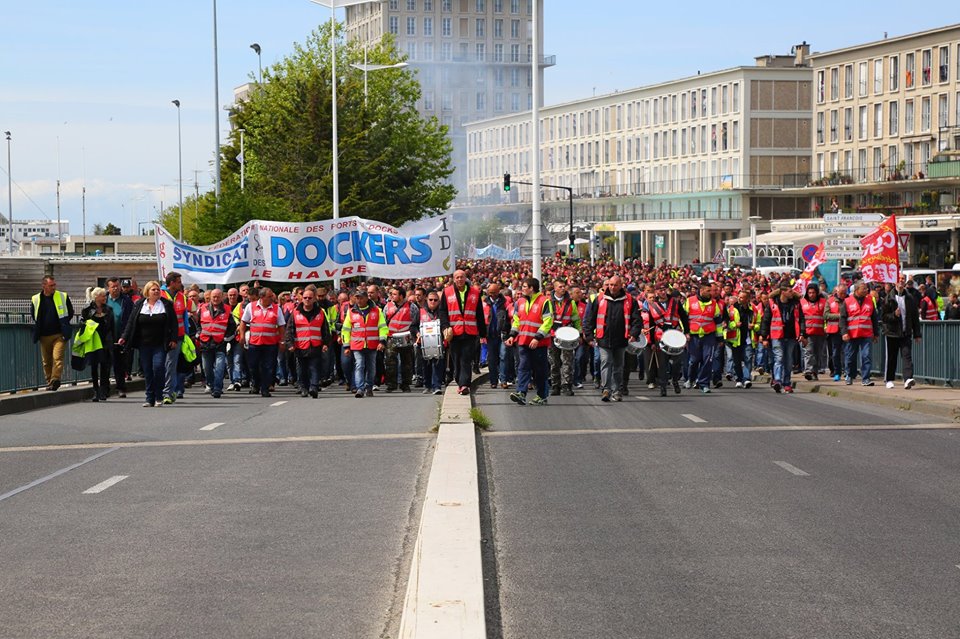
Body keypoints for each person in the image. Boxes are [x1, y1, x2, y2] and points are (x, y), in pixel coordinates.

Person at [119, 281, 177, 407]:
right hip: (143, 344)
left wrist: (173, 339)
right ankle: (149, 397)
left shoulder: (166, 304)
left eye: (157, 289)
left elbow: (173, 323)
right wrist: (124, 337)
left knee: (158, 368)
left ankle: (159, 396)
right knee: (147, 371)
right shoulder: (140, 304)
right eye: (153, 290)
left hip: (160, 344)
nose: (156, 291)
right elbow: (131, 322)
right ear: (147, 292)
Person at [583, 275, 640, 402]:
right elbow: (589, 319)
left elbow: (637, 319)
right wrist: (588, 336)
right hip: (603, 338)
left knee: (619, 366)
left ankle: (617, 390)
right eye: (610, 285)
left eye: (615, 285)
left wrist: (634, 334)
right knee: (606, 362)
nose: (612, 287)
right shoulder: (599, 299)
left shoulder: (630, 300)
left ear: (621, 286)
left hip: (621, 339)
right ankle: (606, 389)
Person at [506, 277, 553, 406]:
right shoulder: (519, 302)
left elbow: (548, 321)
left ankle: (542, 395)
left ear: (532, 288)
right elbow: (516, 321)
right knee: (523, 367)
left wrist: (537, 337)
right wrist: (512, 335)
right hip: (523, 341)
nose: (522, 289)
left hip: (539, 343)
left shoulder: (544, 302)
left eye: (525, 287)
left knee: (540, 370)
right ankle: (521, 393)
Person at [439, 269, 486, 396]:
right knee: (456, 358)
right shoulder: (447, 292)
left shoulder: (475, 292)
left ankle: (465, 384)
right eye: (457, 277)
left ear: (466, 278)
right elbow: (442, 311)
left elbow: (479, 314)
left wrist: (483, 333)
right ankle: (459, 380)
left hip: (470, 332)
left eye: (462, 277)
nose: (459, 279)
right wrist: (445, 326)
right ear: (454, 279)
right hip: (454, 332)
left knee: (466, 358)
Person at [284, 284, 329, 398]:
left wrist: (325, 343)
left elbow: (325, 330)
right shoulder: (295, 312)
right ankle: (303, 387)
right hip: (300, 346)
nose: (307, 300)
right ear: (302, 299)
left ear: (314, 298)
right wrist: (290, 344)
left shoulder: (320, 312)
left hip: (315, 345)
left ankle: (313, 387)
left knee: (314, 367)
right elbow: (289, 330)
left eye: (310, 298)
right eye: (305, 298)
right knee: (302, 369)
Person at [642, 286, 688, 396]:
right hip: (660, 336)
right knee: (662, 363)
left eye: (664, 290)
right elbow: (651, 324)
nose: (662, 292)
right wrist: (652, 342)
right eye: (660, 290)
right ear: (656, 291)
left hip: (675, 335)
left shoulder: (675, 302)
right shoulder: (652, 305)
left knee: (676, 362)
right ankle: (663, 387)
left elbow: (684, 317)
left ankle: (675, 380)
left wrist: (687, 332)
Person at [239, 287, 285, 398]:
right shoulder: (251, 306)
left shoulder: (276, 308)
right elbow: (243, 322)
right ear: (262, 297)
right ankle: (256, 384)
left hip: (270, 343)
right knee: (253, 366)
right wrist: (241, 336)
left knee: (268, 367)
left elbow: (281, 326)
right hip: (255, 343)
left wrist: (282, 341)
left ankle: (265, 388)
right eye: (269, 297)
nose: (272, 299)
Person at [341, 288, 387, 398]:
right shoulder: (351, 312)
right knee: (359, 365)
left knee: (371, 367)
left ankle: (369, 387)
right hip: (357, 345)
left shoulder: (377, 311)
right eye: (357, 298)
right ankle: (360, 388)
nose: (359, 300)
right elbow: (346, 330)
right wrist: (346, 346)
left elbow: (383, 327)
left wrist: (382, 341)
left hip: (372, 344)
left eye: (361, 298)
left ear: (366, 298)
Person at [761, 283, 805, 394]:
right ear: (783, 292)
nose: (792, 293)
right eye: (790, 291)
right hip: (777, 335)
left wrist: (803, 333)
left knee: (788, 360)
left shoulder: (796, 303)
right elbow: (766, 320)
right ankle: (777, 381)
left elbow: (801, 319)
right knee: (778, 358)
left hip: (791, 336)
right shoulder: (772, 303)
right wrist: (764, 337)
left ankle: (787, 383)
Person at [31, 275, 74, 391]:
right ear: (44, 286)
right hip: (44, 335)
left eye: (54, 285)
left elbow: (70, 312)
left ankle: (55, 380)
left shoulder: (62, 296)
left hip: (59, 334)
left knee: (57, 358)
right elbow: (33, 314)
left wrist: (64, 324)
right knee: (46, 362)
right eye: (51, 285)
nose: (54, 287)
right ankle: (49, 382)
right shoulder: (36, 299)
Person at [197, 288, 237, 399]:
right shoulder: (202, 308)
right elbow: (197, 323)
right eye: (213, 297)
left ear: (222, 297)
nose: (215, 299)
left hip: (220, 343)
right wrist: (198, 333)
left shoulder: (227, 309)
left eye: (218, 297)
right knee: (207, 368)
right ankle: (210, 384)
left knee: (219, 368)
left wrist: (226, 337)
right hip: (205, 342)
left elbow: (232, 326)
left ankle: (217, 389)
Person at [881, 281, 921, 390]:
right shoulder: (888, 298)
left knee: (907, 355)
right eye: (899, 281)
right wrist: (894, 315)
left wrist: (917, 334)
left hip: (905, 332)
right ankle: (889, 379)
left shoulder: (910, 298)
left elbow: (914, 317)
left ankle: (908, 378)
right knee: (891, 357)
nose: (901, 283)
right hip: (892, 333)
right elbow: (884, 317)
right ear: (895, 283)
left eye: (903, 280)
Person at [684, 280, 722, 394]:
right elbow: (683, 318)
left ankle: (704, 383)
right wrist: (686, 333)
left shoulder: (714, 303)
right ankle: (690, 379)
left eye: (711, 290)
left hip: (709, 336)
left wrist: (720, 338)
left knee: (708, 359)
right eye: (708, 290)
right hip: (693, 335)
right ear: (701, 290)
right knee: (694, 360)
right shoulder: (690, 301)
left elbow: (718, 322)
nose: (710, 293)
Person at [840, 281, 879, 386]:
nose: (866, 290)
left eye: (866, 288)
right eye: (864, 289)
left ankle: (865, 378)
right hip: (852, 335)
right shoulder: (847, 301)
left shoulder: (870, 301)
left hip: (866, 334)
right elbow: (842, 319)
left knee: (866, 356)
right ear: (857, 290)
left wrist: (876, 334)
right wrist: (844, 332)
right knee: (850, 357)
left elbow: (874, 318)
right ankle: (849, 375)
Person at [547, 279, 581, 396]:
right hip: (552, 335)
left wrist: (579, 334)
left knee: (567, 361)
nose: (563, 289)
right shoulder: (548, 302)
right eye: (560, 287)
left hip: (567, 334)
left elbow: (576, 319)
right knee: (554, 362)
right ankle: (555, 385)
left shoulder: (570, 302)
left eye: (564, 286)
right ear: (555, 288)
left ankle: (567, 385)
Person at [80, 287, 115, 402]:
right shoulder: (87, 309)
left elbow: (112, 326)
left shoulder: (109, 309)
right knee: (94, 365)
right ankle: (96, 390)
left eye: (105, 296)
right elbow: (82, 323)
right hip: (93, 340)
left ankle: (104, 390)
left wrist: (114, 340)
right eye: (103, 296)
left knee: (105, 366)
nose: (105, 298)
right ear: (96, 297)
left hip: (106, 340)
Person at [160, 271, 189, 404]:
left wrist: (186, 336)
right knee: (160, 365)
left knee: (171, 365)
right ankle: (161, 390)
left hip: (178, 337)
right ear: (171, 283)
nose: (180, 284)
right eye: (178, 282)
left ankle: (168, 392)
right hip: (161, 336)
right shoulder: (160, 295)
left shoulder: (182, 297)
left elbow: (184, 318)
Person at [383, 285, 418, 392]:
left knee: (406, 362)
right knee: (390, 362)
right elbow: (383, 322)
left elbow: (415, 322)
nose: (392, 296)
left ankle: (405, 384)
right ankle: (391, 384)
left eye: (394, 294)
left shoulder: (412, 307)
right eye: (391, 294)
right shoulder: (387, 307)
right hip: (391, 337)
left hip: (406, 338)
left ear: (401, 296)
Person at [104, 278, 133, 398]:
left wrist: (126, 335)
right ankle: (104, 389)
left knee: (119, 365)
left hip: (121, 337)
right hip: (106, 337)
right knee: (105, 364)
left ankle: (121, 388)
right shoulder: (104, 299)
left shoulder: (126, 300)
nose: (115, 288)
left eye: (117, 286)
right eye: (113, 286)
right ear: (108, 288)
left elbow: (131, 318)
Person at [482, 282, 509, 390]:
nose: (492, 295)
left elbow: (509, 318)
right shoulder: (484, 303)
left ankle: (503, 380)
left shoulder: (505, 303)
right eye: (490, 293)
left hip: (502, 334)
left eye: (494, 293)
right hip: (489, 335)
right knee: (492, 359)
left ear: (498, 292)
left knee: (503, 356)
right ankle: (493, 381)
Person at [417, 291, 445, 396]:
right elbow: (413, 326)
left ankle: (437, 386)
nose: (433, 302)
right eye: (430, 300)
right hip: (424, 343)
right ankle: (428, 385)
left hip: (438, 342)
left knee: (438, 364)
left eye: (435, 300)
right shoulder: (421, 311)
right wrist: (417, 333)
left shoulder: (442, 312)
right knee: (426, 365)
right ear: (426, 300)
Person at [800, 283, 827, 381]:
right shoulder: (802, 302)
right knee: (809, 352)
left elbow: (826, 316)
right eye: (809, 293)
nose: (811, 294)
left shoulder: (823, 302)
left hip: (820, 332)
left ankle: (815, 372)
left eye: (813, 292)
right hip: (807, 332)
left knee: (818, 354)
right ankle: (808, 371)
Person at [824, 284, 846, 381]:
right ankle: (837, 372)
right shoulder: (830, 301)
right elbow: (826, 315)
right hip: (834, 331)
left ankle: (847, 371)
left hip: (846, 329)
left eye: (844, 293)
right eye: (841, 293)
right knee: (835, 352)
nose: (843, 295)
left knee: (847, 352)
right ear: (837, 292)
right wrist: (839, 316)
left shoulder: (848, 300)